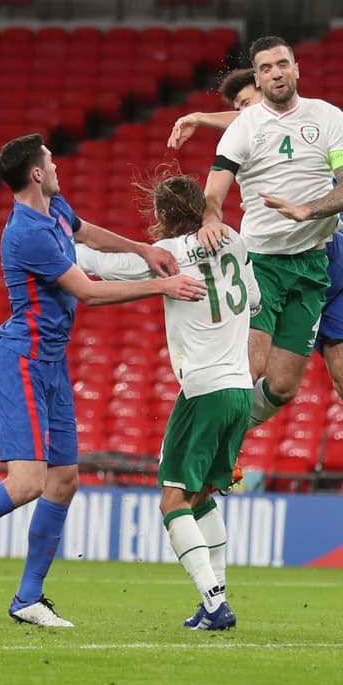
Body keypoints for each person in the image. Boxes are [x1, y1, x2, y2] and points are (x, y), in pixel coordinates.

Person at [0, 133, 205, 627]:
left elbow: (87, 233)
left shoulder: (56, 209)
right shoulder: (26, 232)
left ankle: (28, 598)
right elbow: (87, 292)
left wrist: (143, 249)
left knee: (63, 481)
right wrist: (163, 284)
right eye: (50, 160)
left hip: (52, 362)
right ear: (36, 173)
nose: (57, 164)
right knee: (27, 483)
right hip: (21, 359)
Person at [170, 40, 343, 546]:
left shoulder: (315, 119)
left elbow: (268, 125)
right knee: (327, 381)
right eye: (263, 71)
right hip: (338, 256)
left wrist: (202, 117)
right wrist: (204, 121)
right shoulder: (254, 122)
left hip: (314, 258)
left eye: (280, 65)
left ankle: (212, 453)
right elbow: (250, 123)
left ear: (294, 69)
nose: (272, 77)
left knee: (250, 365)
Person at [76, 173, 259, 631]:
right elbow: (254, 301)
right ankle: (214, 602)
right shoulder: (234, 240)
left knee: (172, 501)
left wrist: (58, 238)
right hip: (240, 390)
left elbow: (103, 268)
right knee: (200, 498)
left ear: (161, 216)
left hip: (203, 389)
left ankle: (215, 603)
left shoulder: (170, 256)